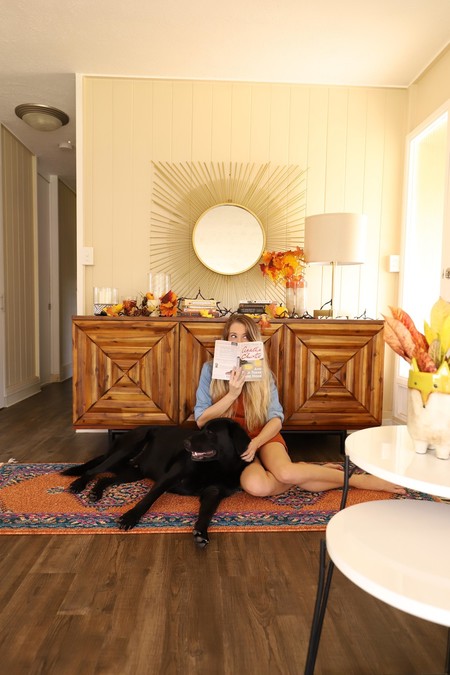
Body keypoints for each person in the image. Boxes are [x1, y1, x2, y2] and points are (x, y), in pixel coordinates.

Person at [194, 313, 405, 496]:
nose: (240, 343)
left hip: (263, 436)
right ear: (226, 340)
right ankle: (304, 471)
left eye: (246, 337)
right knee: (256, 486)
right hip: (235, 445)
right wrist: (232, 395)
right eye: (234, 336)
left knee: (285, 472)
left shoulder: (264, 375)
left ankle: (358, 480)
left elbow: (276, 419)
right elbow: (202, 421)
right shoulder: (209, 370)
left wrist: (257, 442)